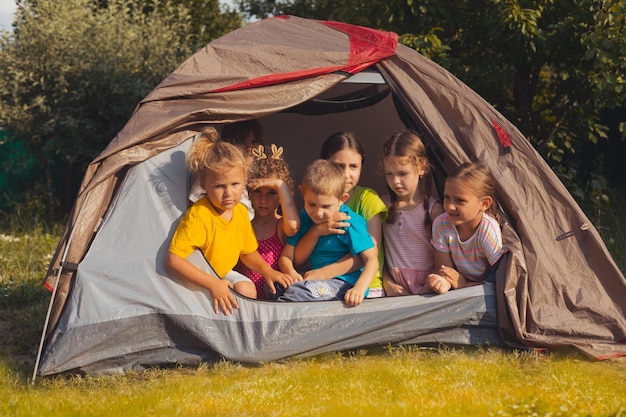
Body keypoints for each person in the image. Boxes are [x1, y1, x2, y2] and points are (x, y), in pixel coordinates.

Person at [165, 127, 292, 315]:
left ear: (245, 180)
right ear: (203, 183)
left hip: (222, 273)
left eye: (235, 185)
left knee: (247, 290)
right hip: (198, 278)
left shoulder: (240, 212)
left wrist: (268, 271)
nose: (228, 193)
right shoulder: (199, 215)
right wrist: (213, 284)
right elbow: (173, 260)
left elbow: (247, 252)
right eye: (219, 186)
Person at [291, 131, 388, 298]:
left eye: (353, 167)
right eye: (338, 166)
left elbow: (367, 255)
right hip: (321, 281)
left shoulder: (367, 200)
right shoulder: (314, 210)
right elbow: (296, 257)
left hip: (361, 284)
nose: (345, 174)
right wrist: (318, 230)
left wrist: (322, 273)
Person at [278, 159, 379, 306]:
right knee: (275, 287)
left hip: (344, 283)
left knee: (301, 293)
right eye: (312, 204)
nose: (318, 213)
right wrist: (291, 274)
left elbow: (372, 260)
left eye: (326, 206)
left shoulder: (348, 221)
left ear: (341, 200)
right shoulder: (304, 218)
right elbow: (293, 258)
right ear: (302, 193)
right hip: (311, 282)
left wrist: (359, 289)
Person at [380, 129, 444, 295]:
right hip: (393, 291)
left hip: (429, 290)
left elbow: (443, 261)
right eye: (389, 173)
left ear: (421, 168)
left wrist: (425, 290)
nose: (395, 181)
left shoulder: (433, 209)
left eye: (402, 173)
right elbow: (376, 255)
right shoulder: (382, 206)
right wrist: (388, 284)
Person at [427, 161, 507, 294]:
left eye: (460, 200)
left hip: (484, 290)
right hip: (459, 286)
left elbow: (499, 278)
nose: (450, 206)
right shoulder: (441, 224)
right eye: (447, 197)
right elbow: (445, 270)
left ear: (484, 204)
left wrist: (464, 285)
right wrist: (443, 282)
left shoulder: (487, 229)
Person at [235, 144, 300, 300]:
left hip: (275, 303)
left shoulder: (281, 226)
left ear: (282, 195)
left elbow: (293, 227)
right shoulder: (243, 225)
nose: (263, 200)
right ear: (249, 192)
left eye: (272, 193)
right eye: (258, 191)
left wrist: (279, 184)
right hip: (247, 302)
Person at [221, 120, 265, 219]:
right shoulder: (215, 174)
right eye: (241, 142)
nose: (249, 147)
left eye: (254, 142)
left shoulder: (265, 175)